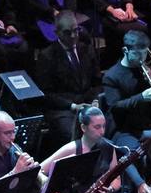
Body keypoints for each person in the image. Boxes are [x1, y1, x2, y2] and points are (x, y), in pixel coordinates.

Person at [39, 106, 146, 193]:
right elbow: (39, 172)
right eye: (97, 127)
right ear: (83, 128)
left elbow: (116, 179)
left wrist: (111, 189)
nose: (102, 132)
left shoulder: (108, 146)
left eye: (103, 126)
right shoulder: (71, 149)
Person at [35, 10, 103, 156]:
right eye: (67, 32)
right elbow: (46, 94)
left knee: (107, 123)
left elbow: (98, 82)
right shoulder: (47, 56)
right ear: (57, 32)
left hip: (88, 103)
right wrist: (73, 106)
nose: (73, 36)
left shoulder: (86, 49)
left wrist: (95, 101)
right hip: (63, 109)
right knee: (71, 133)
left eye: (76, 31)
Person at [100, 29, 151, 149]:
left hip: (147, 123)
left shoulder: (146, 69)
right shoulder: (111, 76)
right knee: (137, 153)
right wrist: (141, 97)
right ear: (125, 50)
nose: (142, 58)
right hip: (125, 129)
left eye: (145, 53)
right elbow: (115, 107)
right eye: (137, 54)